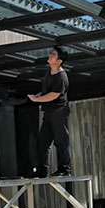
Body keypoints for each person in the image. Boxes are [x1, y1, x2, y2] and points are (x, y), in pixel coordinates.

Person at [28, 47, 72, 177]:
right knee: (43, 142)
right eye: (51, 53)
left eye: (53, 54)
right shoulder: (49, 72)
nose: (50, 55)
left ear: (59, 61)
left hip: (59, 112)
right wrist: (38, 95)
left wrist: (37, 100)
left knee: (61, 141)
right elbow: (47, 91)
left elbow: (54, 95)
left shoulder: (61, 76)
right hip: (48, 113)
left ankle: (65, 169)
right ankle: (42, 170)